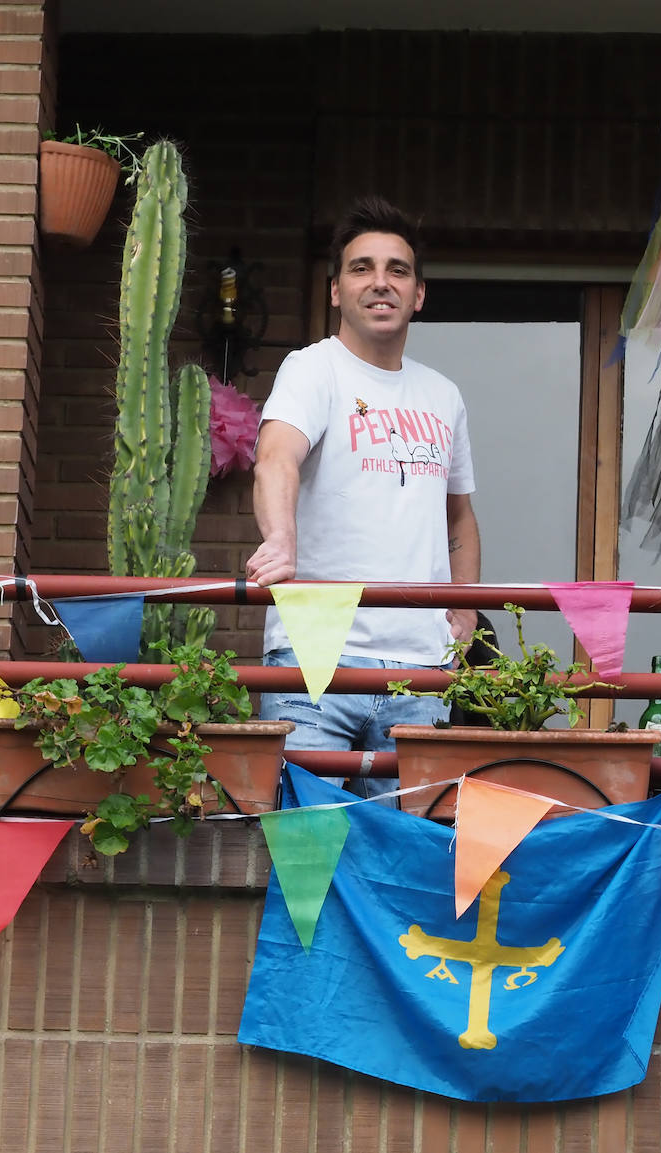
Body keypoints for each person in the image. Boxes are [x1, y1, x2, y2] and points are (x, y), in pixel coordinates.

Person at [246, 195, 481, 798]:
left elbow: (459, 511)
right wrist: (281, 539)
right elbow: (276, 456)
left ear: (419, 294)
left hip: (420, 673)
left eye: (397, 270)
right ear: (335, 290)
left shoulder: (444, 395)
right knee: (307, 852)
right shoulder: (311, 370)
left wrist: (465, 607)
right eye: (362, 267)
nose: (381, 282)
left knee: (405, 857)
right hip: (316, 661)